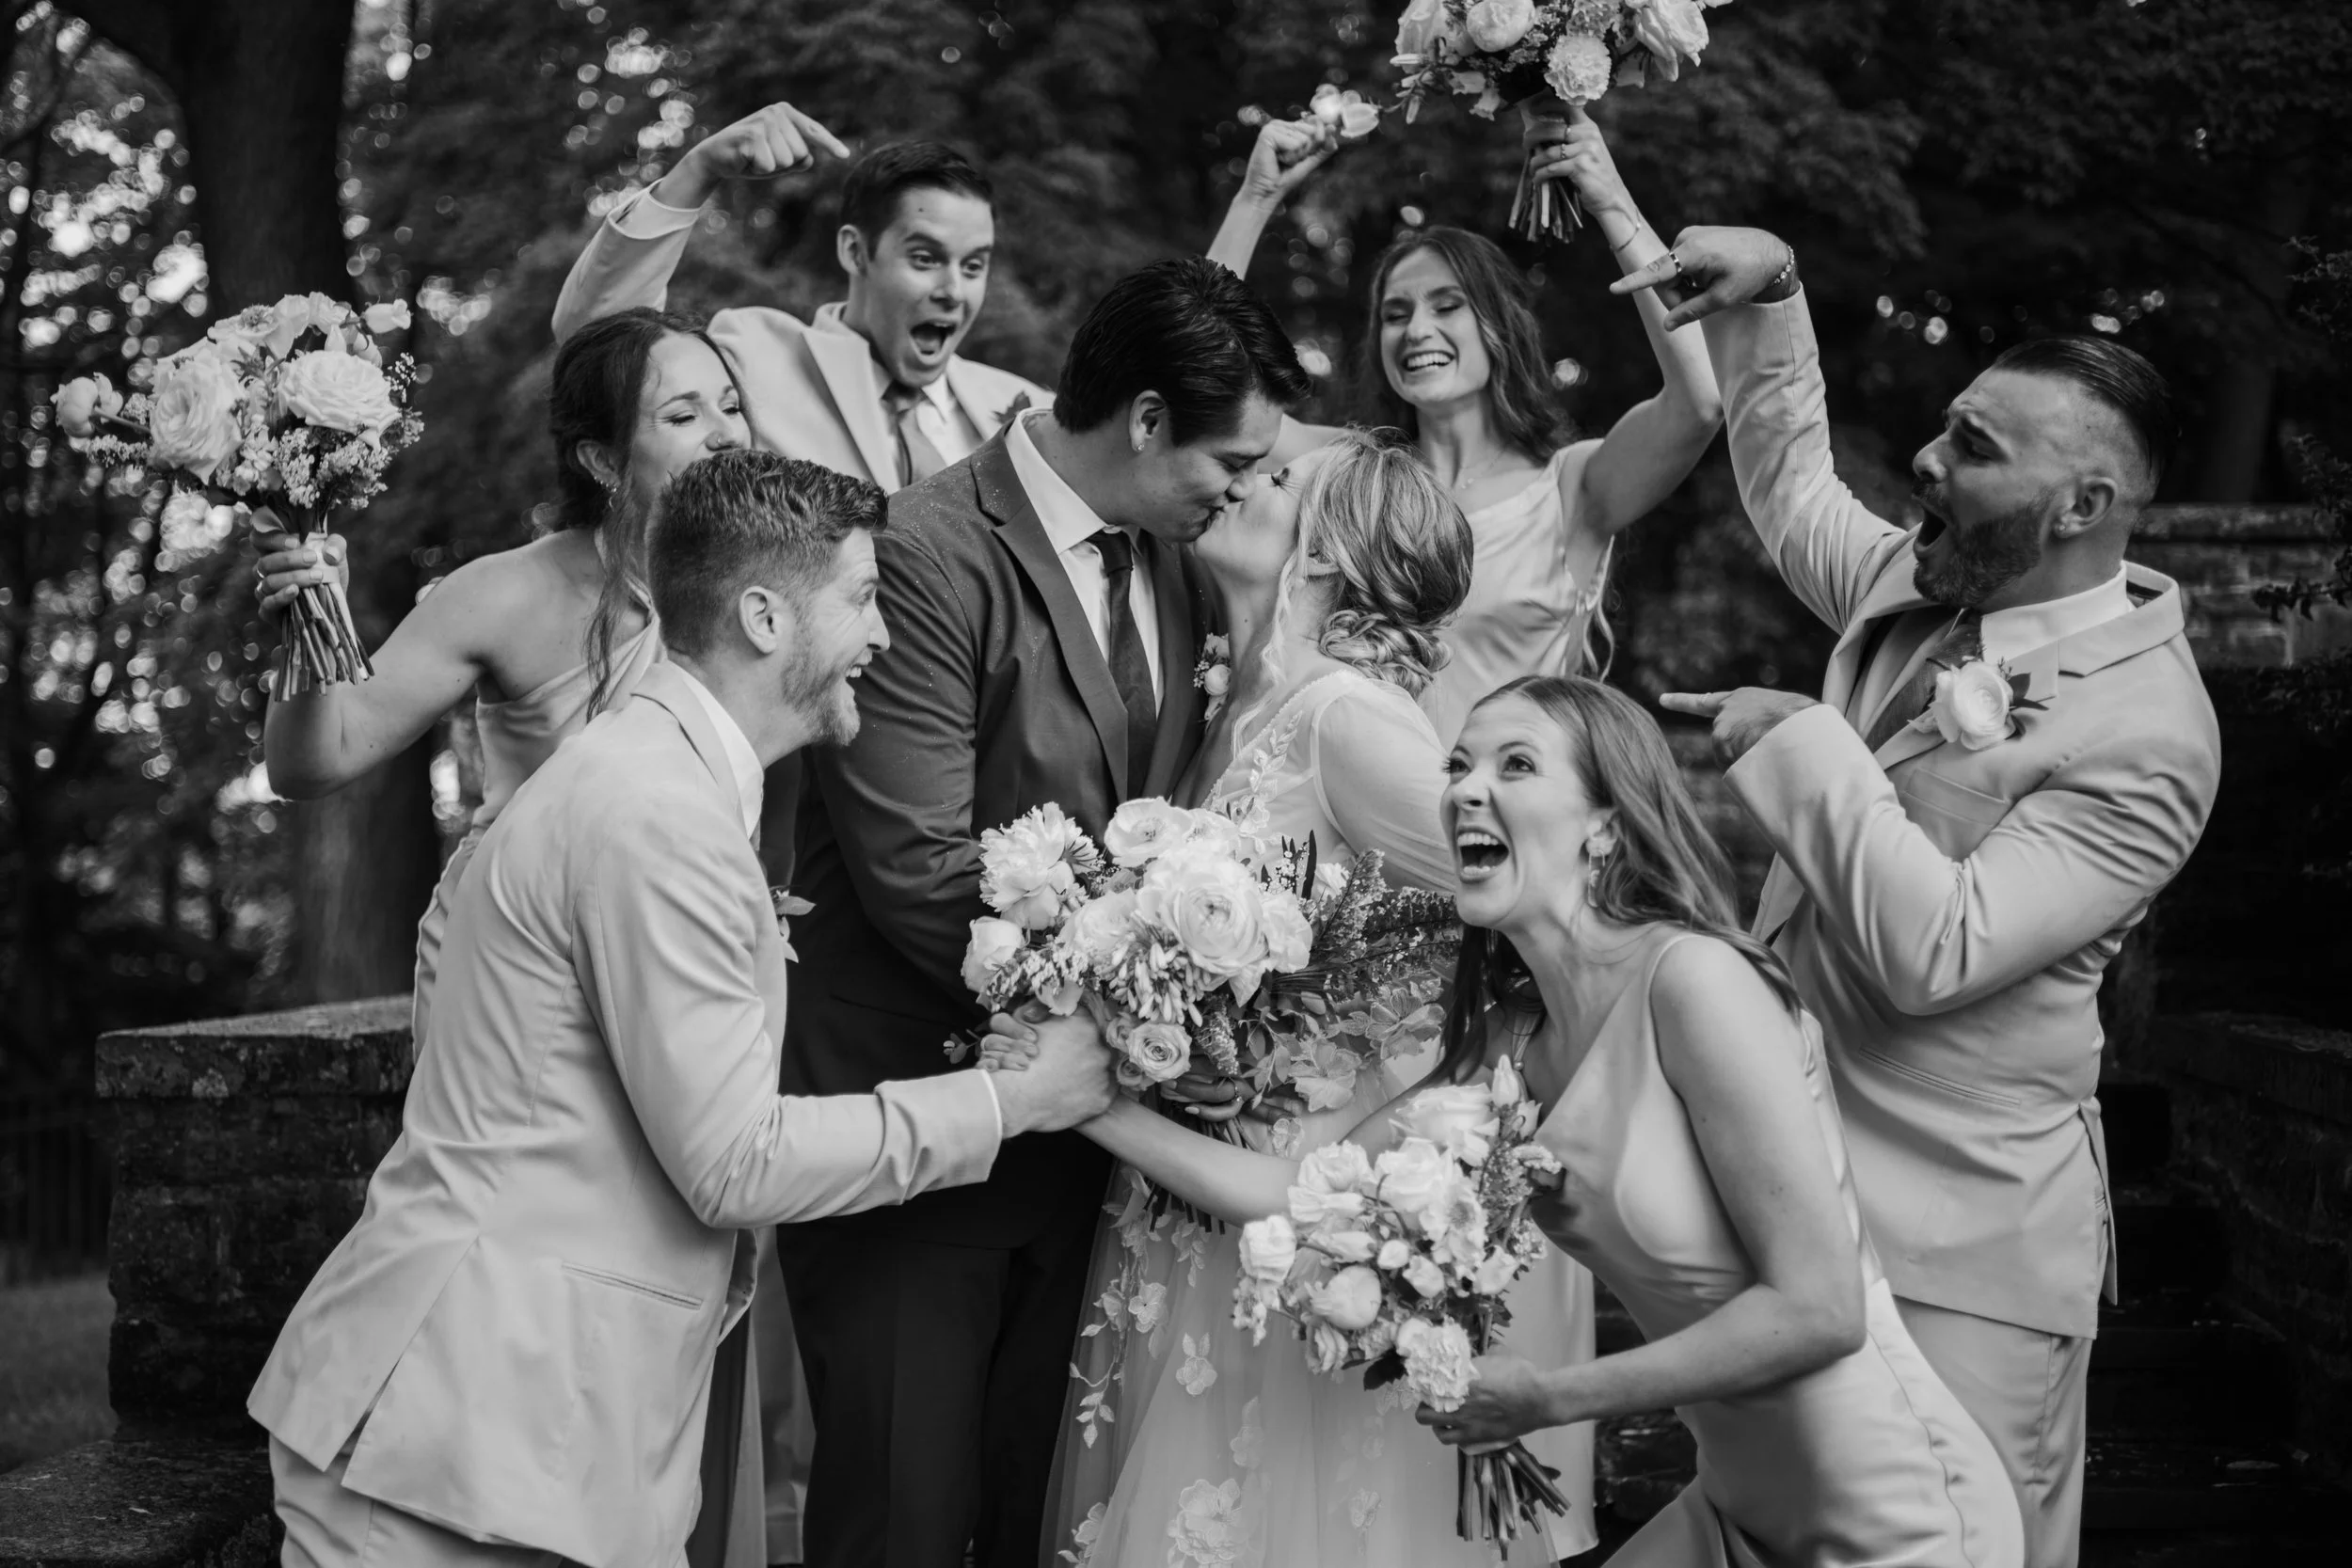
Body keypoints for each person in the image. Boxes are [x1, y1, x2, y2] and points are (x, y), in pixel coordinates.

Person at [246, 449, 1120, 1568]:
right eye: (861, 598)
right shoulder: (655, 812)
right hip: (459, 1440)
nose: (883, 636)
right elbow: (736, 1160)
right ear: (764, 615)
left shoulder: (648, 776)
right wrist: (1012, 1099)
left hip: (505, 1432)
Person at [999, 677, 2026, 1568]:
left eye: (1515, 763)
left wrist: (1547, 1394)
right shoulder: (1513, 1045)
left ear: (1606, 823)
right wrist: (1081, 1101)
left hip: (1895, 1508)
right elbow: (1297, 1192)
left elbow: (1819, 1309)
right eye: (1457, 763)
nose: (1463, 788)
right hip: (1741, 1505)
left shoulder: (1694, 982)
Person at [1625, 227, 2222, 1568]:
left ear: (2082, 506)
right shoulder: (1927, 583)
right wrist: (1774, 295)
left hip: (1967, 1252)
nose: (1929, 465)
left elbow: (1937, 948)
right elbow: (1788, 488)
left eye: (1974, 448)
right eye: (1947, 430)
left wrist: (1801, 742)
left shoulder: (2153, 735)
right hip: (1798, 1207)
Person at [555, 105, 1053, 1559]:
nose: (951, 293)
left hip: (882, 905)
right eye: (922, 257)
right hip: (746, 846)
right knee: (711, 1227)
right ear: (854, 255)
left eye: (974, 263)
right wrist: (691, 177)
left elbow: (1168, 413)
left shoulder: (1002, 413)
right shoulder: (769, 357)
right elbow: (600, 354)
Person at [778, 257, 1312, 1568]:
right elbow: (918, 868)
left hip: (1096, 1155)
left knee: (1041, 1521)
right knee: (897, 1525)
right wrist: (1151, 996)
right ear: (1142, 419)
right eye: (1227, 460)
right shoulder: (920, 549)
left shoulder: (1186, 568)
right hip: (922, 1122)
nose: (1240, 491)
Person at [1040, 432, 1597, 1565]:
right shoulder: (1246, 704)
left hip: (1297, 1193)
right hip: (1190, 1182)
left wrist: (1400, 1118)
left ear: (1327, 551)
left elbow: (1527, 911)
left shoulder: (1351, 717)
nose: (1239, 476)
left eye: (1281, 477)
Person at [256, 306, 741, 1041]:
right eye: (683, 415)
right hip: (517, 977)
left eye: (732, 406)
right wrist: (305, 622)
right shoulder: (502, 594)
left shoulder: (766, 588)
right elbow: (312, 764)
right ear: (604, 461)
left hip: (685, 963)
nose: (726, 433)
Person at [1206, 103, 1722, 740]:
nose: (1417, 329)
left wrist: (1609, 199)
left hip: (1505, 822)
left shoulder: (1572, 488)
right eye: (1395, 314)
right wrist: (1256, 198)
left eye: (1447, 306)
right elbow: (1207, 390)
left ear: (1499, 327)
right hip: (1354, 817)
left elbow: (1700, 401)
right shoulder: (1347, 476)